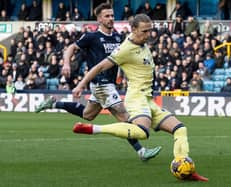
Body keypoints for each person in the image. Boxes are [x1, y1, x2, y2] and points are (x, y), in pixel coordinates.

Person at [72, 13, 208, 182]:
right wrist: (81, 85)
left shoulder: (140, 41)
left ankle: (185, 167)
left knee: (180, 129)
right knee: (142, 133)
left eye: (150, 30)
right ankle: (93, 129)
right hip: (136, 98)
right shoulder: (125, 49)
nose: (148, 34)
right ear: (134, 29)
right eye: (144, 31)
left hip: (148, 99)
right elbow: (99, 66)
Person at [35, 3, 161, 161]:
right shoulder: (91, 37)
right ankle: (141, 151)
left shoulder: (117, 37)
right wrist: (66, 63)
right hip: (101, 83)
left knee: (88, 115)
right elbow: (70, 48)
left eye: (112, 15)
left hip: (110, 83)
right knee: (124, 116)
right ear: (99, 19)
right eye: (107, 16)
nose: (111, 19)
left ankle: (54, 104)